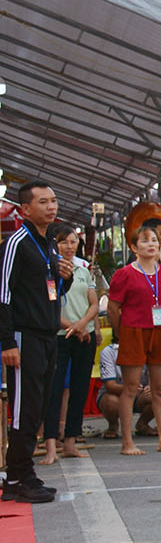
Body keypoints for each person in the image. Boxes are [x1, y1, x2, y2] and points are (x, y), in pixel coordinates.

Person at [2, 183, 75, 502]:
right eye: (42, 202)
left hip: (47, 335)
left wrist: (66, 277)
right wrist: (7, 342)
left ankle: (22, 473)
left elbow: (52, 292)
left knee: (39, 406)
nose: (51, 206)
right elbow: (3, 294)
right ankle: (17, 476)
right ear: (25, 209)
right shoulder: (17, 242)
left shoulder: (48, 245)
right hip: (23, 335)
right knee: (24, 409)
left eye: (54, 200)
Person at [107, 224, 161, 455]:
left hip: (160, 332)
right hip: (133, 331)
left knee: (160, 389)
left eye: (154, 240)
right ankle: (127, 441)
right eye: (144, 240)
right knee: (130, 388)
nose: (151, 244)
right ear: (133, 247)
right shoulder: (124, 274)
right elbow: (113, 308)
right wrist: (122, 333)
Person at [40, 224, 97, 465]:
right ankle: (51, 444)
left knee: (80, 388)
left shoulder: (83, 269)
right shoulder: (49, 270)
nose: (69, 246)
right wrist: (71, 327)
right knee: (54, 391)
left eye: (73, 242)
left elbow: (93, 302)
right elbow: (49, 304)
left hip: (85, 334)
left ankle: (71, 441)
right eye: (64, 242)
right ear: (55, 244)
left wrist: (82, 325)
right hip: (60, 335)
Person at [95, 340, 155, 442]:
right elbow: (110, 385)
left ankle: (143, 423)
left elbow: (156, 373)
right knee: (111, 401)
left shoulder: (148, 348)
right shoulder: (109, 351)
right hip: (117, 394)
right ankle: (113, 425)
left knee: (157, 394)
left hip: (140, 394)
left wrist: (151, 386)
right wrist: (130, 388)